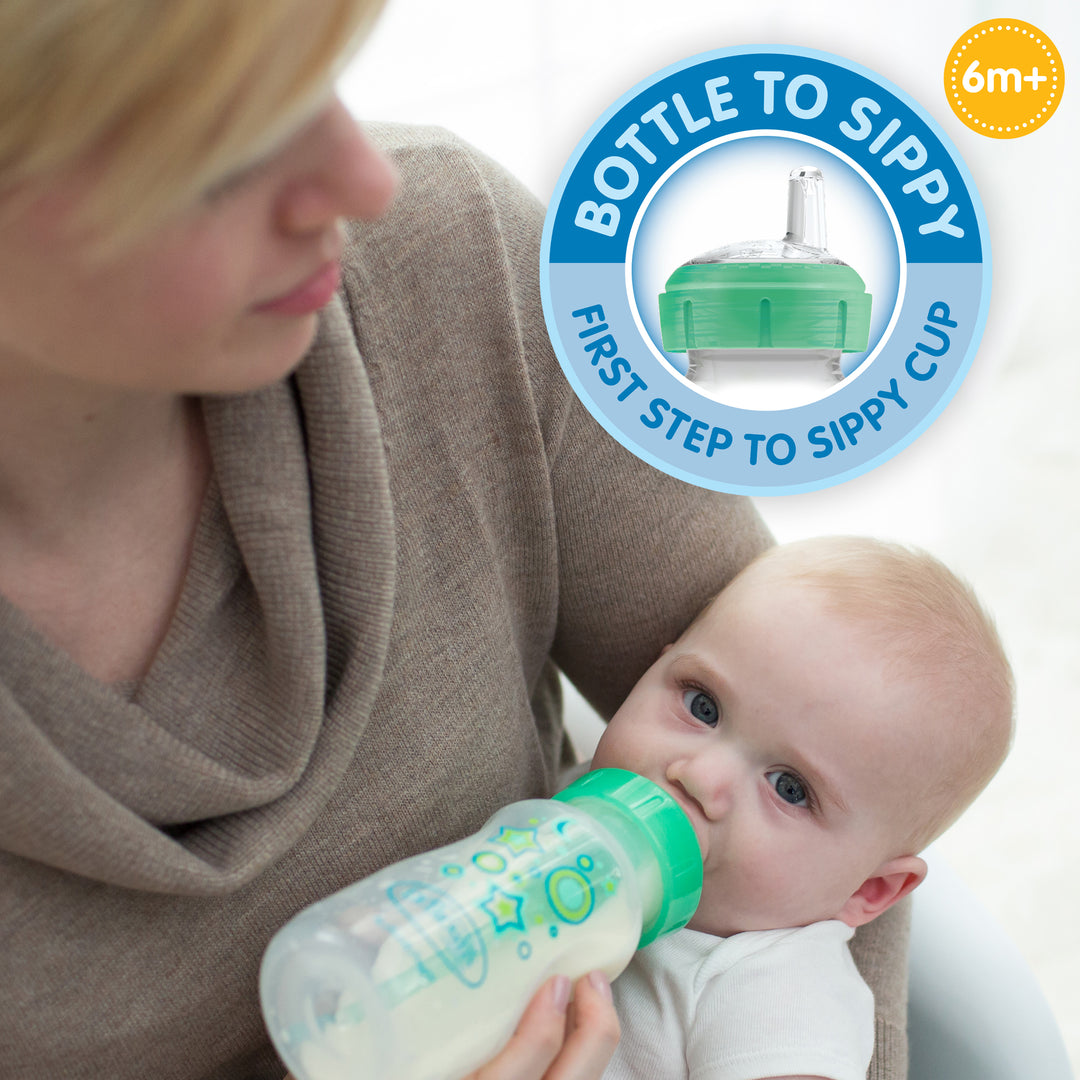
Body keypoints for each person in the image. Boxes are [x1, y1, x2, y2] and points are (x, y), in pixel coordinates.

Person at [0, 3, 906, 1079]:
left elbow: (859, 761)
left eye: (319, 79)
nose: (363, 181)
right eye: (224, 150)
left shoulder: (451, 266)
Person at [588, 536, 1014, 1080]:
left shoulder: (775, 991)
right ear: (658, 662)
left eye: (789, 788)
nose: (697, 776)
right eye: (703, 705)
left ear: (868, 891)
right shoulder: (581, 797)